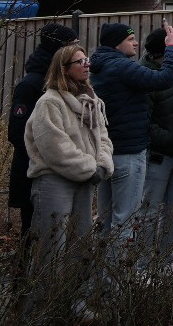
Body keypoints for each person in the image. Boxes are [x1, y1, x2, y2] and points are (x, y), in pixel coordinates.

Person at [23, 44, 113, 286]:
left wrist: (103, 163)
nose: (86, 65)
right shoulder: (49, 103)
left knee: (81, 244)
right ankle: (40, 312)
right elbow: (55, 147)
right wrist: (89, 167)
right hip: (53, 182)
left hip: (85, 180)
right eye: (79, 61)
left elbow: (102, 136)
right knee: (51, 249)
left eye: (87, 60)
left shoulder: (91, 102)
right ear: (63, 69)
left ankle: (75, 302)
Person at [89, 21, 173, 239]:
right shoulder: (121, 67)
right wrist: (172, 49)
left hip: (109, 151)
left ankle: (100, 272)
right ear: (116, 44)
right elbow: (164, 78)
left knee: (106, 218)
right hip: (129, 151)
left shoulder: (102, 66)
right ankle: (119, 273)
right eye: (130, 39)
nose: (136, 43)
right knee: (125, 220)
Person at [6, 23, 78, 249]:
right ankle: (23, 283)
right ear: (60, 49)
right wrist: (53, 152)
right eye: (72, 46)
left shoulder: (68, 83)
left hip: (62, 171)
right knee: (33, 236)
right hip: (34, 173)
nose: (78, 51)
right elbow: (16, 133)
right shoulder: (32, 85)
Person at [138, 26, 173, 258]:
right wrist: (167, 138)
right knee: (149, 210)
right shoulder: (146, 77)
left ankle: (166, 259)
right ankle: (143, 262)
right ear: (164, 50)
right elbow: (143, 120)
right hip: (159, 155)